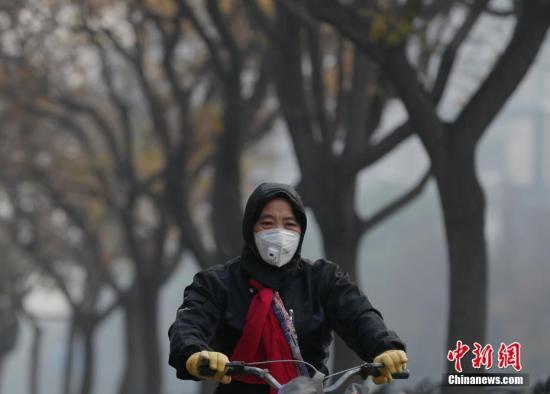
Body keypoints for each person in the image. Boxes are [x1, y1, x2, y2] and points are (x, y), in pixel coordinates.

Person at [168, 182, 407, 394]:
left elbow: (359, 316)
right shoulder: (217, 283)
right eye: (267, 223)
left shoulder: (323, 279)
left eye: (289, 224)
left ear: (301, 231)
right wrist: (194, 354)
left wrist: (385, 348)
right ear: (250, 227)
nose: (279, 233)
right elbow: (188, 324)